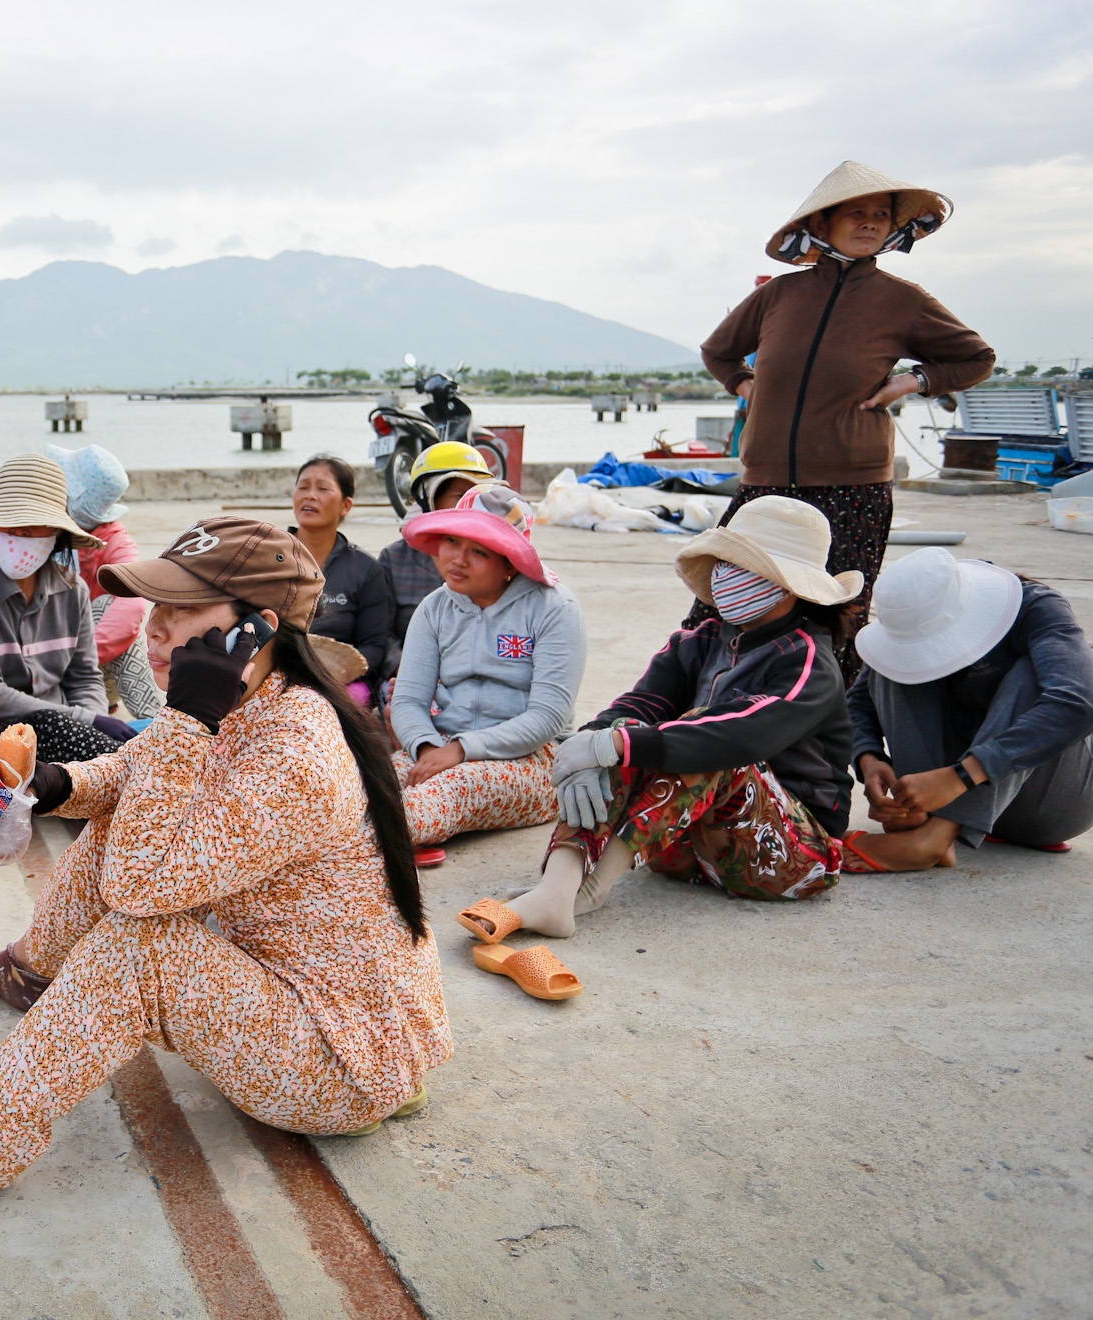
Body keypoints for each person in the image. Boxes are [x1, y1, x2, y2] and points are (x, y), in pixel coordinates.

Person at [0, 518, 449, 1259]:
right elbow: (133, 776)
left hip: (340, 1063)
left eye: (179, 612)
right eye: (155, 611)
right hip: (300, 999)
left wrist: (187, 718)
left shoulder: (293, 751)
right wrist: (53, 782)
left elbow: (140, 886)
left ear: (255, 632)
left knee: (142, 947)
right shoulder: (246, 699)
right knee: (116, 822)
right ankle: (30, 966)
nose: (155, 631)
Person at [458, 496, 858, 946]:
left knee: (699, 737)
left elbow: (741, 733)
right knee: (621, 734)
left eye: (744, 567)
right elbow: (642, 703)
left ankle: (590, 887)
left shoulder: (809, 662)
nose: (726, 575)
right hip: (685, 845)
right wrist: (591, 744)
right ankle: (559, 887)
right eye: (726, 562)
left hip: (787, 858)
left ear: (786, 586)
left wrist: (619, 745)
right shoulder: (701, 640)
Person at [695, 161, 995, 684]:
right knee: (722, 605)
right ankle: (706, 713)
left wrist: (912, 382)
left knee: (840, 617)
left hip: (852, 486)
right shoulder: (777, 295)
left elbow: (976, 357)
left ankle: (832, 738)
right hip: (765, 485)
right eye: (857, 212)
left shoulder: (904, 300)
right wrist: (747, 387)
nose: (871, 222)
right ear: (823, 224)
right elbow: (718, 351)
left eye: (881, 214)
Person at [841, 549, 1093, 872]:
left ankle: (935, 836)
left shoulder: (1035, 608)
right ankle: (918, 821)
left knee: (1032, 675)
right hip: (942, 796)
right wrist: (870, 758)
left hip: (1050, 803)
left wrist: (960, 777)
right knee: (892, 663)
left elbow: (1079, 701)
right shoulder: (916, 612)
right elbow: (858, 701)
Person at [0, 453, 132, 797]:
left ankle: (120, 785)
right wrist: (84, 720)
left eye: (32, 523)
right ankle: (136, 791)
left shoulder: (72, 589)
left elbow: (84, 675)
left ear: (56, 533)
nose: (17, 531)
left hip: (57, 730)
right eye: (7, 521)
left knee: (98, 754)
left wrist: (89, 719)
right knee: (47, 731)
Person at [390, 486, 585, 850]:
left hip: (533, 760)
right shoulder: (434, 609)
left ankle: (364, 842)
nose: (458, 560)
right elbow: (408, 702)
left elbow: (548, 717)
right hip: (439, 747)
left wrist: (463, 750)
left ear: (510, 562)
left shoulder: (555, 609)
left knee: (447, 792)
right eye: (451, 542)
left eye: (478, 551)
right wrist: (428, 746)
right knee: (362, 782)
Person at [48, 442, 162, 719]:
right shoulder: (42, 534)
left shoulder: (114, 542)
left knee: (105, 605)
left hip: (87, 667)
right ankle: (152, 722)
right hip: (40, 664)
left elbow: (131, 606)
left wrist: (76, 656)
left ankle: (152, 723)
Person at [377, 442, 505, 676]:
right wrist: (409, 674)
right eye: (461, 495)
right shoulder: (394, 559)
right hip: (407, 674)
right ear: (426, 499)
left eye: (478, 495)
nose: (470, 505)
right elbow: (382, 635)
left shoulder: (499, 559)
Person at [290, 455, 393, 704]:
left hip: (342, 681)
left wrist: (336, 673)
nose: (309, 496)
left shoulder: (366, 569)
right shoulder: (266, 558)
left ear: (346, 506)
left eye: (322, 488)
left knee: (353, 699)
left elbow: (375, 645)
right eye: (303, 487)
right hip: (279, 671)